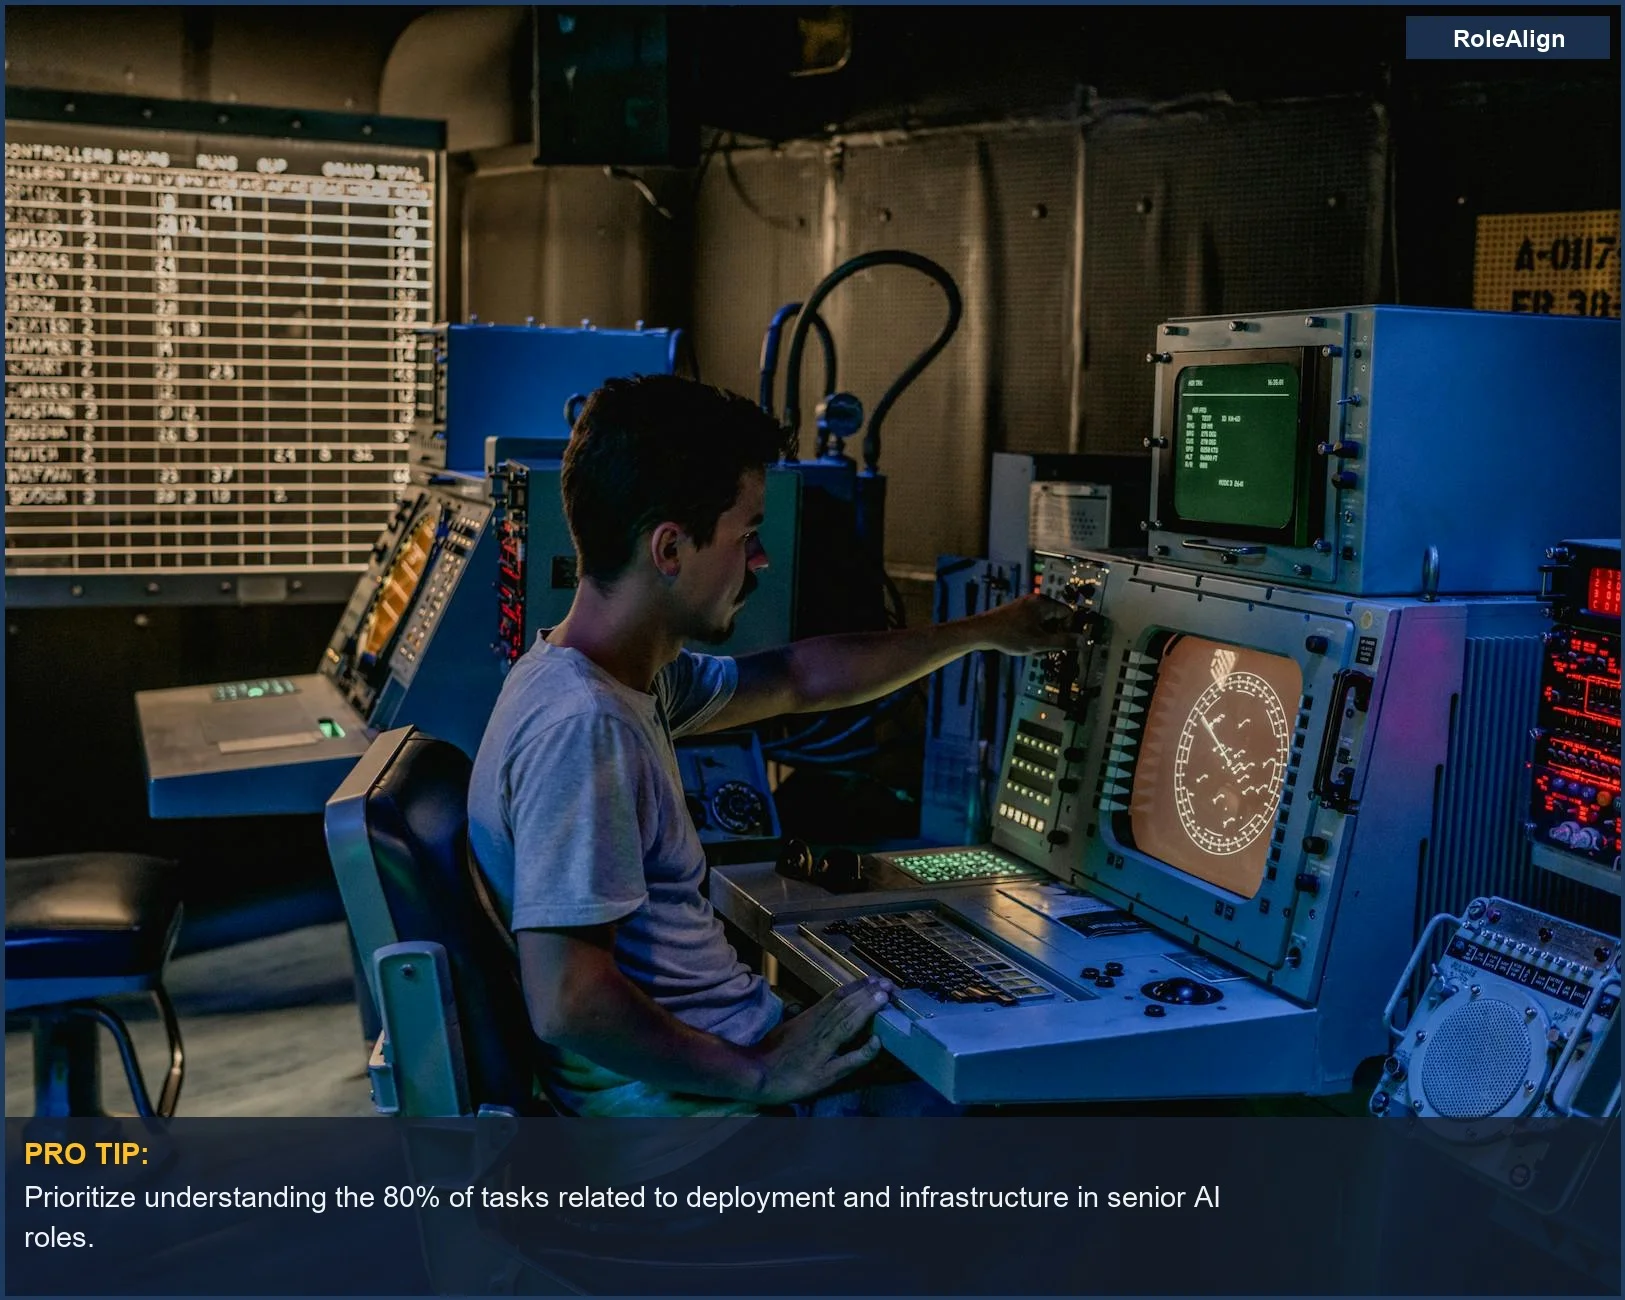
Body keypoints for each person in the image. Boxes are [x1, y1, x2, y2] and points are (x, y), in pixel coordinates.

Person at [468, 374, 1078, 1118]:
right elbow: (568, 1002)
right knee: (1055, 1102)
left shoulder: (602, 679)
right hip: (702, 1128)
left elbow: (799, 678)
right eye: (746, 536)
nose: (757, 563)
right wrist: (759, 1073)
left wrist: (985, 631)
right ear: (669, 549)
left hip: (718, 1080)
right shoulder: (583, 726)